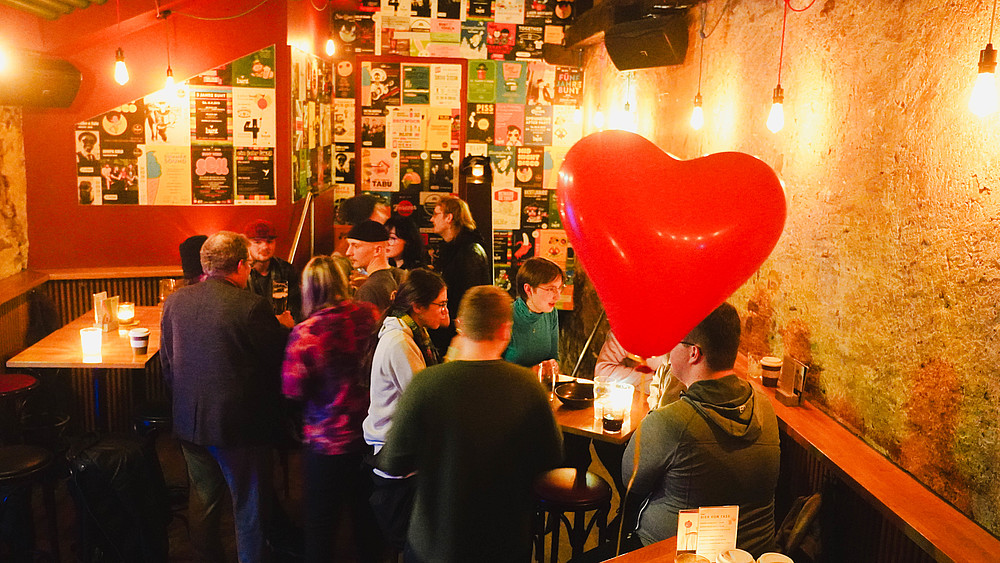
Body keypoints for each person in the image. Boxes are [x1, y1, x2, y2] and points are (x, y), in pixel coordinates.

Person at [377, 286, 563, 563]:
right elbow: (552, 458)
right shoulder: (527, 386)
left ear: (461, 326)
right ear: (505, 330)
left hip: (436, 542)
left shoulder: (426, 384)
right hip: (504, 540)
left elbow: (393, 461)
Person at [160, 231, 289, 563]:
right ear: (242, 265)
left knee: (203, 499)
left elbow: (167, 364)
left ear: (206, 264)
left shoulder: (175, 301)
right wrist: (285, 330)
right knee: (248, 505)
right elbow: (277, 361)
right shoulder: (251, 305)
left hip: (189, 420)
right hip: (238, 426)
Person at [620, 302, 781, 557]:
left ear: (693, 353)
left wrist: (658, 410)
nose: (667, 351)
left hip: (674, 554)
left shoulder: (670, 421)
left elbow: (630, 480)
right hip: (748, 554)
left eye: (673, 342)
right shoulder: (765, 407)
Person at [281, 256, 383, 563]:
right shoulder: (369, 315)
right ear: (342, 281)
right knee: (367, 523)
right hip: (369, 435)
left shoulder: (306, 333)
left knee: (321, 527)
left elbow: (293, 389)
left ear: (308, 290)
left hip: (326, 442)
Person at [362, 268, 449, 553]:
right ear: (417, 306)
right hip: (395, 458)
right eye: (441, 304)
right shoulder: (400, 342)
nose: (445, 311)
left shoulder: (409, 333)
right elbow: (426, 402)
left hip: (400, 451)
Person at [428, 194, 491, 355]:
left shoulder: (469, 251)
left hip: (460, 333)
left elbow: (472, 296)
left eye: (436, 214)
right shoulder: (451, 249)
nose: (431, 219)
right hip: (448, 328)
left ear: (449, 218)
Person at [502, 256, 564, 372]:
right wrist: (531, 372)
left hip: (540, 382)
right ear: (528, 289)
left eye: (559, 288)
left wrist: (553, 365)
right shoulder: (506, 316)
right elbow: (494, 369)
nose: (557, 296)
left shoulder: (551, 313)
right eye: (550, 289)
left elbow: (554, 356)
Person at [243, 219, 301, 327]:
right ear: (247, 244)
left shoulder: (286, 269)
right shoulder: (240, 272)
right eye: (257, 242)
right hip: (251, 332)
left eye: (269, 241)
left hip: (282, 331)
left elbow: (295, 309)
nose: (265, 247)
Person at [346, 220, 404, 313]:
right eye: (349, 245)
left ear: (377, 250)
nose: (348, 252)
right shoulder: (402, 276)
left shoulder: (368, 290)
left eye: (356, 246)